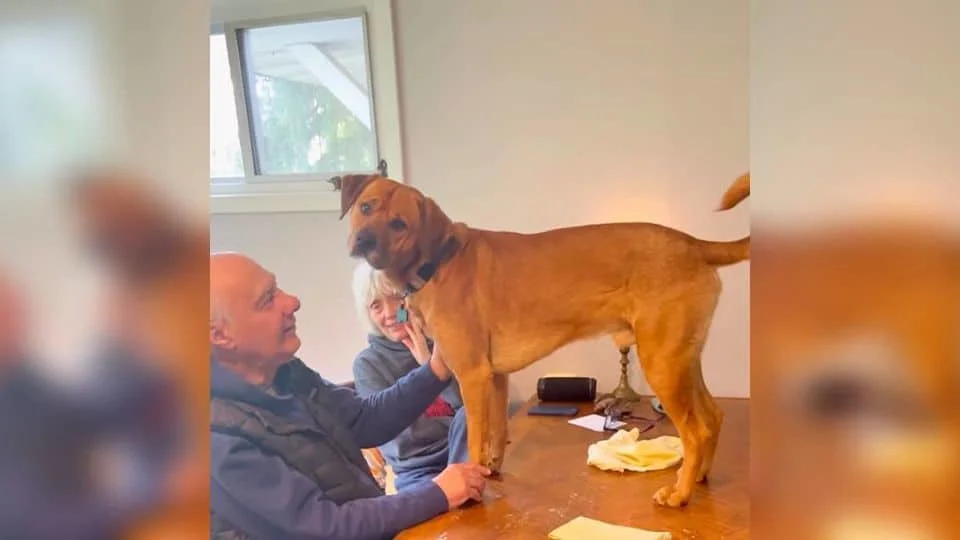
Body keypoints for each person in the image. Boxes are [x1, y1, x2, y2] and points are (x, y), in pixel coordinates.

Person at [209, 253, 490, 540]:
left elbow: (365, 420)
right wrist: (436, 493)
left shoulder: (288, 373)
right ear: (220, 336)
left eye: (277, 288)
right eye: (267, 299)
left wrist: (435, 370)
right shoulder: (216, 439)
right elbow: (324, 526)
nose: (292, 301)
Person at [351, 262, 468, 492]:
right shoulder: (368, 364)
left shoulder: (441, 341)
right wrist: (430, 376)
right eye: (376, 305)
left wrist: (429, 364)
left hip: (464, 450)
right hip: (420, 471)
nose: (389, 313)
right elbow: (402, 444)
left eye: (396, 298)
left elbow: (468, 408)